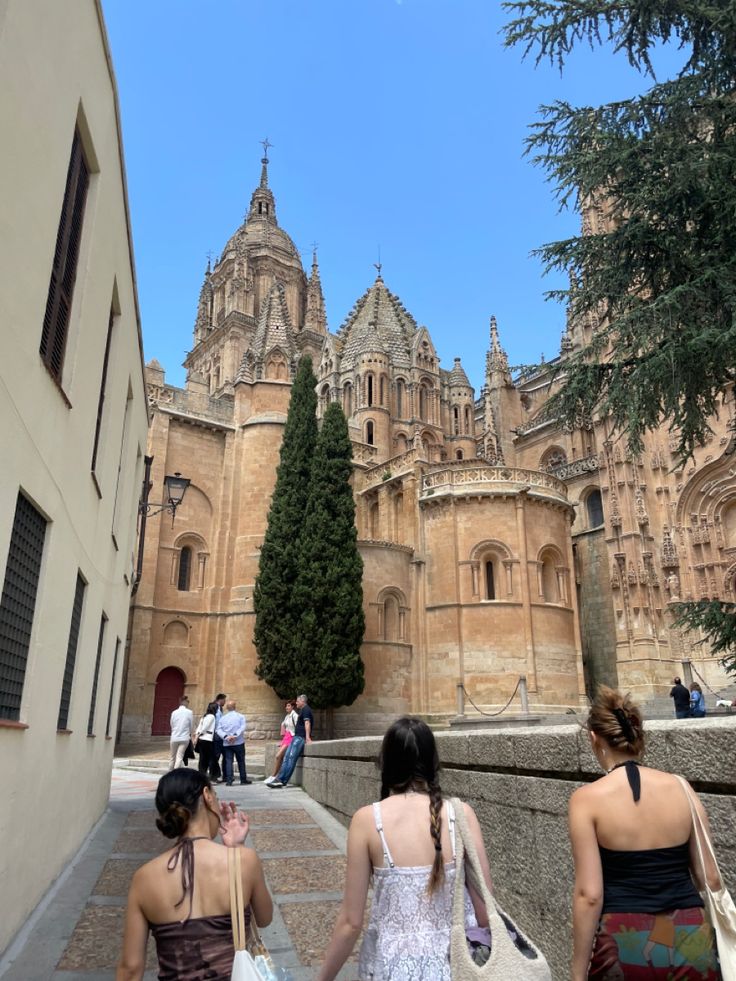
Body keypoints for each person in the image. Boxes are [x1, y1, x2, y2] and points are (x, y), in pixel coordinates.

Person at [316, 716, 494, 981]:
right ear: (433, 762)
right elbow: (485, 912)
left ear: (385, 763)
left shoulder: (367, 821)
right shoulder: (462, 815)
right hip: (460, 965)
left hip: (394, 967)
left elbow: (351, 923)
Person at [569, 686, 722, 980]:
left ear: (594, 738)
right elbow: (710, 878)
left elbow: (589, 895)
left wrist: (578, 971)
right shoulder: (682, 788)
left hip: (625, 942)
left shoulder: (586, 800)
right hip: (690, 938)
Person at [116, 768, 273, 981]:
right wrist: (237, 847)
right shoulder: (243, 861)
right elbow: (264, 918)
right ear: (207, 796)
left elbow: (131, 968)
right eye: (216, 797)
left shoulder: (144, 878)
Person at [267, 693, 313, 789]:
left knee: (291, 758)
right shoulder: (303, 710)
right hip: (296, 737)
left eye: (297, 701)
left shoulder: (306, 710)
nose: (296, 703)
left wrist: (307, 737)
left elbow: (307, 723)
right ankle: (279, 779)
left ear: (302, 701)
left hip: (300, 738)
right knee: (287, 757)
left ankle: (282, 780)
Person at [216, 699, 251, 786]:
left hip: (227, 743)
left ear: (227, 708)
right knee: (241, 761)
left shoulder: (223, 718)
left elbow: (218, 730)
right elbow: (242, 727)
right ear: (235, 707)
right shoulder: (240, 716)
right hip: (238, 742)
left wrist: (226, 737)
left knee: (228, 761)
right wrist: (235, 735)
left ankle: (229, 780)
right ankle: (243, 779)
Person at [264, 700, 299, 786]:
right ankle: (276, 776)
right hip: (286, 738)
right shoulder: (287, 716)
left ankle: (274, 776)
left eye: (288, 706)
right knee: (281, 757)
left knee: (278, 756)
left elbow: (297, 729)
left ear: (292, 707)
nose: (286, 707)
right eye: (286, 706)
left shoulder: (295, 716)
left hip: (291, 738)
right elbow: (285, 729)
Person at [194, 701, 219, 776]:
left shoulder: (205, 716)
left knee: (203, 758)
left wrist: (197, 735)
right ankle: (212, 776)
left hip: (202, 739)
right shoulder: (211, 716)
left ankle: (202, 774)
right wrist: (198, 735)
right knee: (210, 758)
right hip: (207, 739)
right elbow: (204, 727)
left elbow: (199, 727)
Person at [169, 697, 194, 770]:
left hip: (174, 737)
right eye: (188, 701)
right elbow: (191, 725)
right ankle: (176, 773)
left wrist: (175, 731)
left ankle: (170, 772)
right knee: (179, 756)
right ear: (184, 702)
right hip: (184, 737)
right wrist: (190, 733)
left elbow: (171, 724)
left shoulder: (174, 712)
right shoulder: (189, 712)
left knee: (172, 757)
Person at [210, 693, 227, 783]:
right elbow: (217, 722)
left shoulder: (219, 708)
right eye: (224, 700)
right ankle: (213, 776)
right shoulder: (215, 708)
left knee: (219, 755)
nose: (225, 702)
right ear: (220, 699)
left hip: (219, 735)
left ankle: (220, 775)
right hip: (217, 735)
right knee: (216, 756)